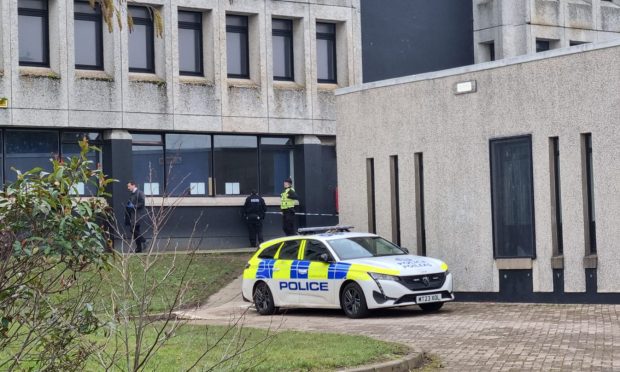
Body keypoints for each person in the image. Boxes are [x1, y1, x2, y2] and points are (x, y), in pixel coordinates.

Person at [124, 181, 146, 253]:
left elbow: (142, 203)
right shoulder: (132, 194)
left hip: (137, 215)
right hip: (132, 215)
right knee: (135, 231)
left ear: (133, 185)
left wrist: (134, 206)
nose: (128, 188)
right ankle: (139, 248)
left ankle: (144, 240)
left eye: (129, 186)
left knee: (133, 230)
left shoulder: (139, 193)